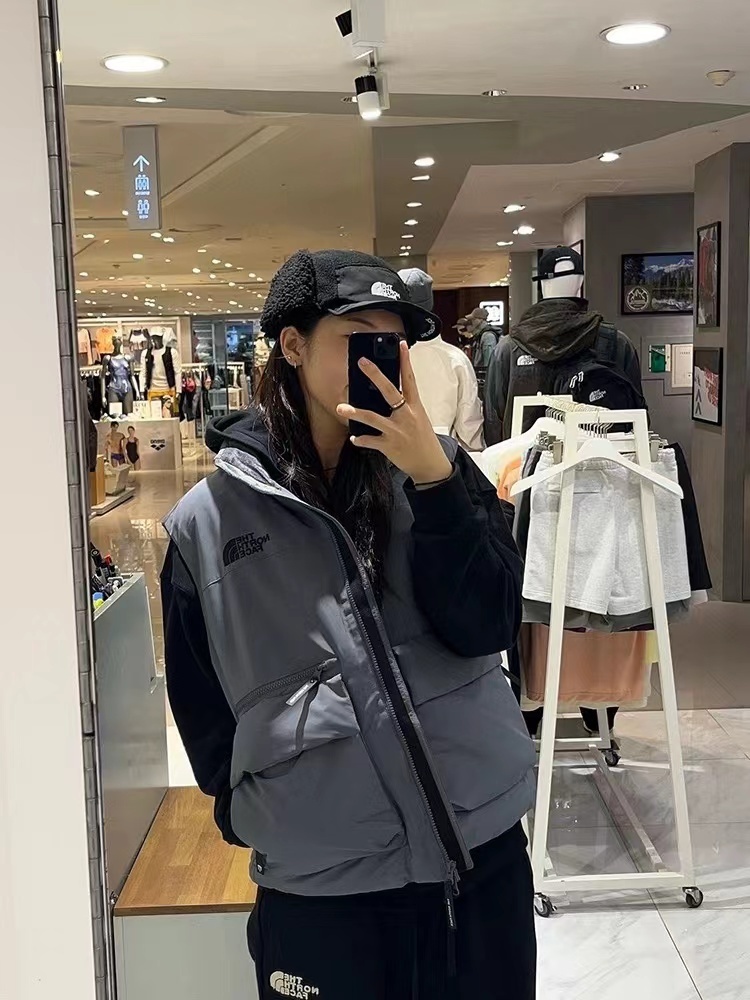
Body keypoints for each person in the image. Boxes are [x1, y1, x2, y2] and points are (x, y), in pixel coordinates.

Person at [161, 250, 537, 1000]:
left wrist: (434, 481)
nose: (380, 357)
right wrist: (257, 813)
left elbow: (491, 624)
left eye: (393, 341)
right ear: (292, 346)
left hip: (480, 860)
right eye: (358, 337)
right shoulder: (208, 523)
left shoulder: (441, 471)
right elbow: (201, 705)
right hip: (323, 893)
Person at [398, 267, 484, 451]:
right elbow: (469, 429)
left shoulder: (383, 357)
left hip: (391, 459)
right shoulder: (456, 359)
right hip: (445, 457)